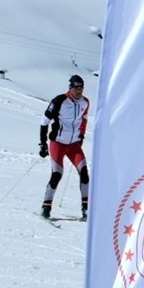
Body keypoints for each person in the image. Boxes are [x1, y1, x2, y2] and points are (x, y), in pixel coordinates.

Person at [39, 75, 90, 220]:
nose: (78, 90)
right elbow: (44, 121)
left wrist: (81, 137)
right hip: (58, 143)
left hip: (74, 145)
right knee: (57, 174)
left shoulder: (85, 102)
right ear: (70, 88)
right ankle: (46, 206)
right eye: (76, 87)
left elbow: (83, 120)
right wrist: (43, 144)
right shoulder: (60, 100)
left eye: (81, 87)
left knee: (85, 173)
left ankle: (86, 209)